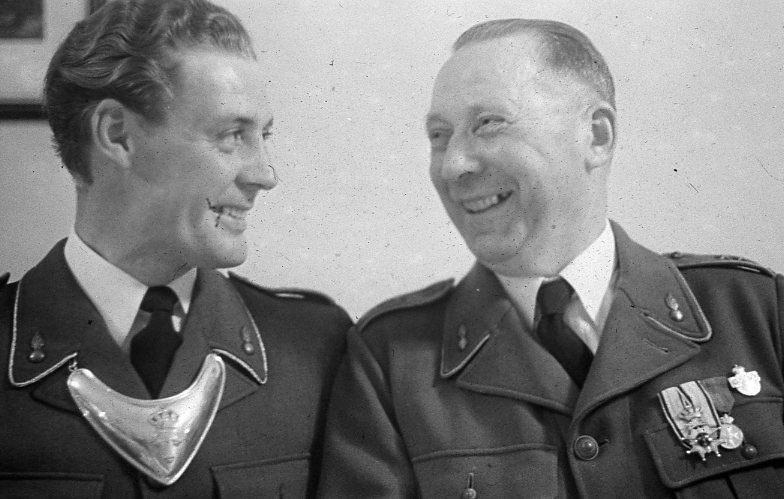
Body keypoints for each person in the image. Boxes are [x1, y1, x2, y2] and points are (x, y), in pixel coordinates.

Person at [319, 18, 784, 498]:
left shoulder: (758, 312)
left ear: (596, 136)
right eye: (439, 135)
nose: (454, 165)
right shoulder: (391, 361)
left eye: (488, 123)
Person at [0, 0, 351, 497]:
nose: (264, 174)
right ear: (117, 134)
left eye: (264, 135)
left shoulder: (316, 350)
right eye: (231, 135)